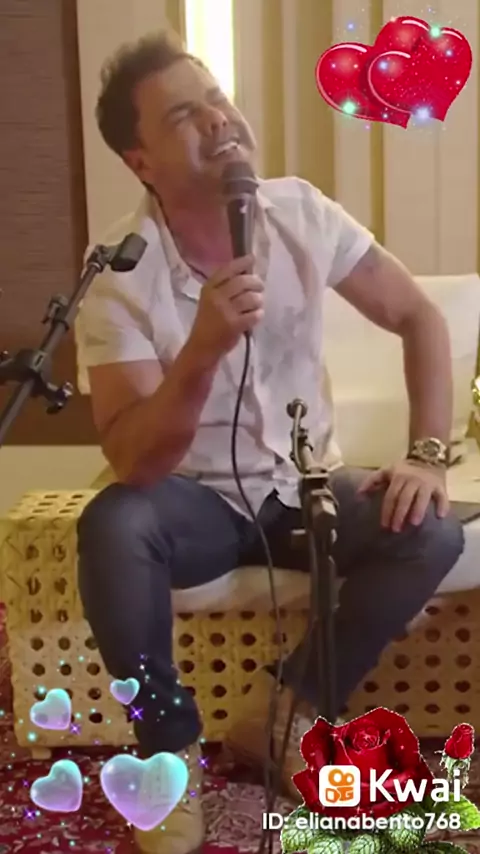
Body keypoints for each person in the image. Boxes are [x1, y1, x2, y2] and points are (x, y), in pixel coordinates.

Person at [75, 29, 465, 854]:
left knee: (428, 528)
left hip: (304, 485)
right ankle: (167, 751)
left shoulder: (300, 211)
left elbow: (416, 316)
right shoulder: (119, 270)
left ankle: (289, 710)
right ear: (141, 162)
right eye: (184, 116)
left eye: (216, 99)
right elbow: (135, 460)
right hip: (197, 504)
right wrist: (202, 350)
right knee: (113, 522)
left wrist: (427, 454)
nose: (219, 120)